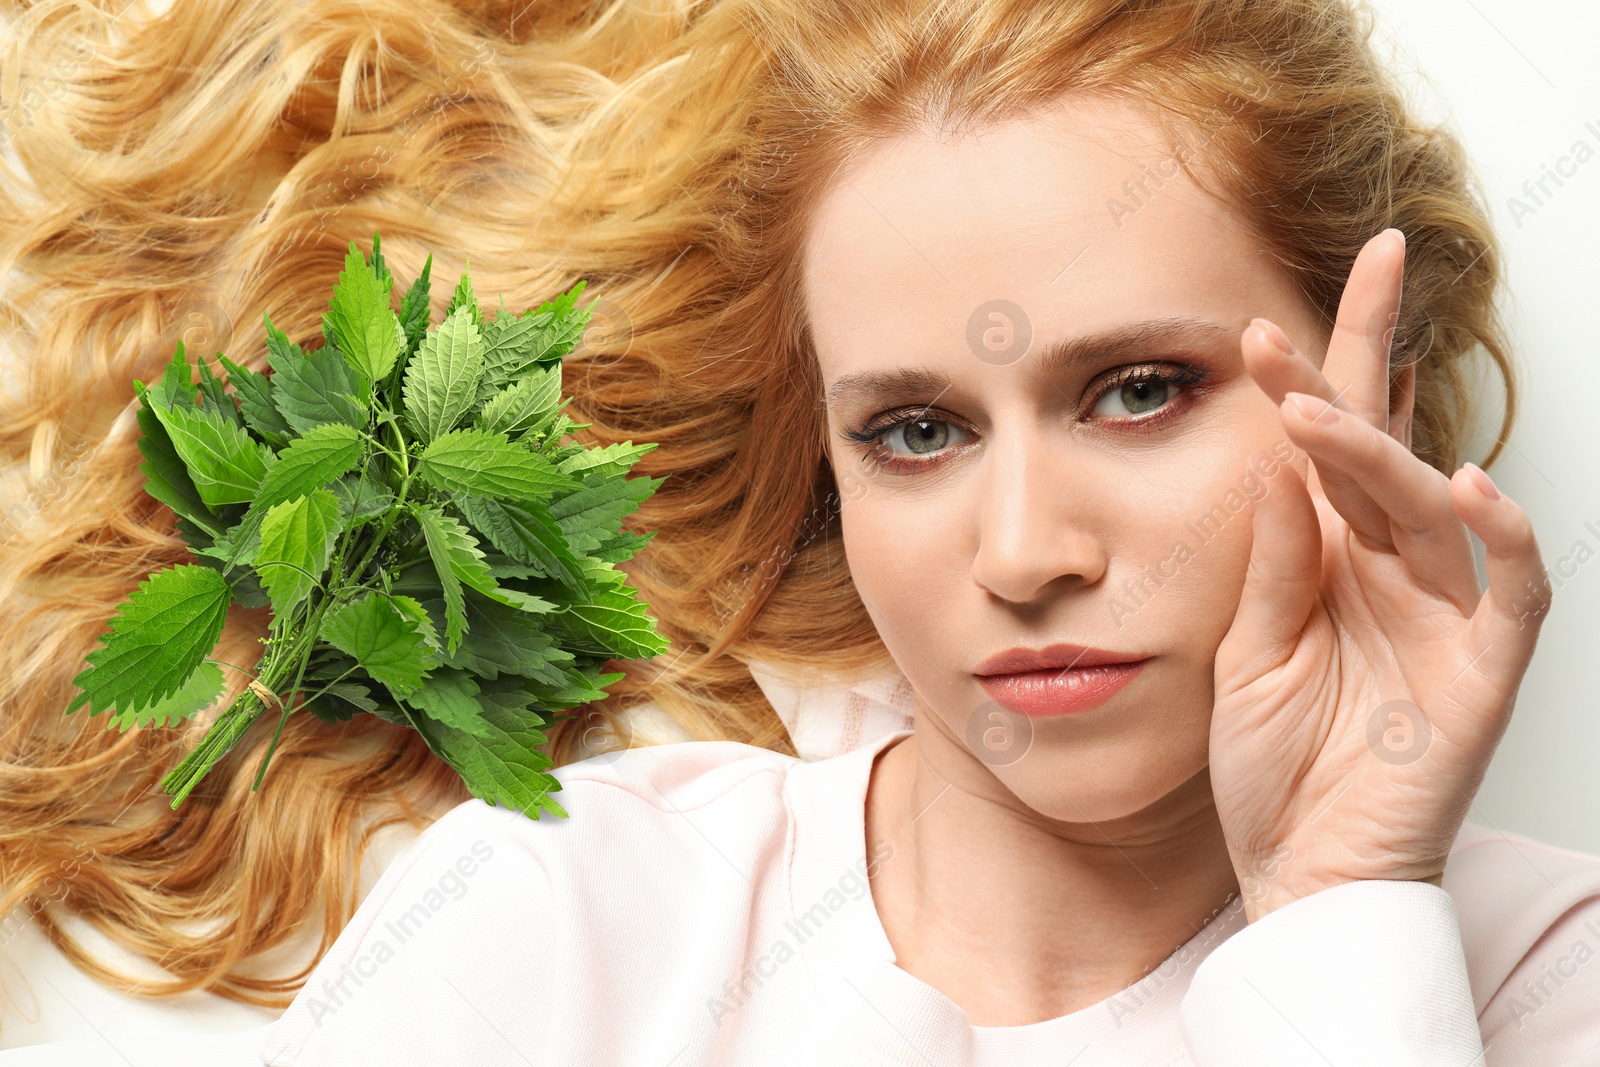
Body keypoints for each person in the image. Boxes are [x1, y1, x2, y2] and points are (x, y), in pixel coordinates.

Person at [1, 0, 1596, 1063]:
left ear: (1364, 390)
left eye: (1138, 390)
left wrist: (1340, 912)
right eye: (916, 432)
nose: (1025, 548)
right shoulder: (571, 915)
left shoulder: (1537, 981)